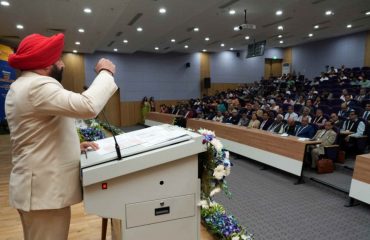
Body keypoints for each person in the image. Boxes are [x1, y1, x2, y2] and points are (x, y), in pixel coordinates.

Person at [5, 33, 118, 240]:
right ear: (46, 65)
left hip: (38, 192)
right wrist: (106, 73)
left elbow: (40, 134)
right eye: (58, 59)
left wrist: (76, 147)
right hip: (42, 195)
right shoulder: (36, 86)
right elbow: (87, 106)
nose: (62, 64)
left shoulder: (23, 85)